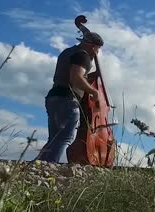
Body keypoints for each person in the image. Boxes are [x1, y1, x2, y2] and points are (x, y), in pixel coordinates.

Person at [35, 31, 104, 162]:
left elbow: (70, 74)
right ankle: (49, 166)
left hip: (54, 96)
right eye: (98, 49)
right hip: (67, 99)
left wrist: (88, 77)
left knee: (54, 138)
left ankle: (37, 167)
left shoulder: (68, 52)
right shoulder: (82, 56)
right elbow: (76, 78)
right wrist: (94, 92)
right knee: (65, 138)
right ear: (94, 46)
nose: (97, 52)